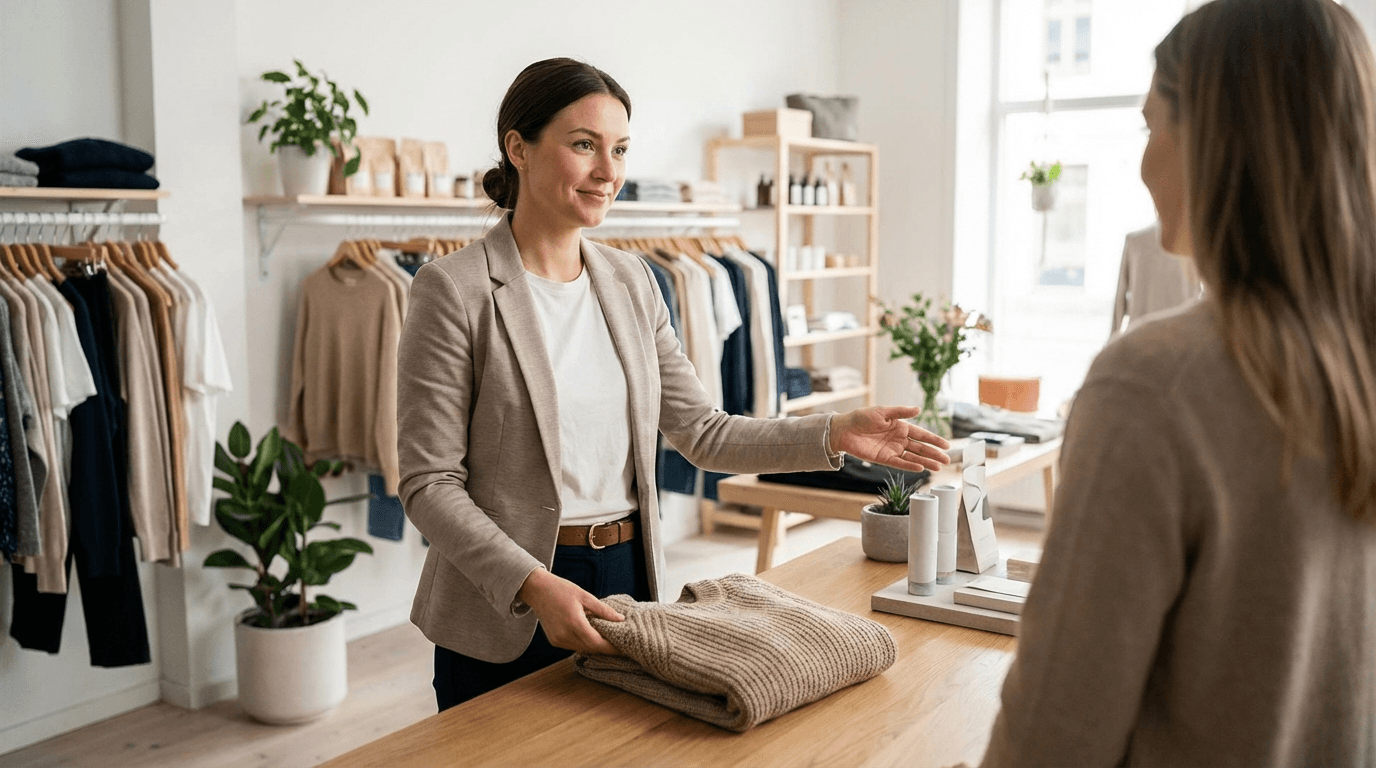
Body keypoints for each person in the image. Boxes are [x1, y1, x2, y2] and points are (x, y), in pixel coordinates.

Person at [396, 58, 951, 712]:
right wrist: (532, 583)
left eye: (621, 149)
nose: (609, 172)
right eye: (584, 145)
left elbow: (703, 433)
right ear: (518, 147)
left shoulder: (632, 284)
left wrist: (834, 434)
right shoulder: (452, 290)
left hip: (629, 577)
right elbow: (429, 482)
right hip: (506, 601)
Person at [979, 1, 1376, 765]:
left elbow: (1051, 738)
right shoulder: (1351, 364)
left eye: (1151, 125)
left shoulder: (1151, 386)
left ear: (1219, 142)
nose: (1142, 162)